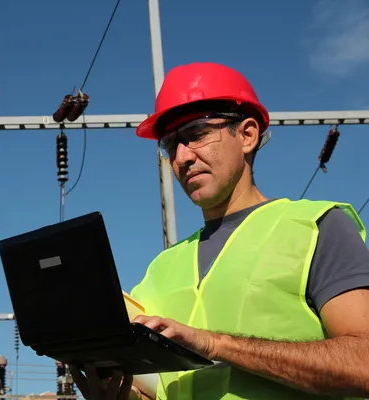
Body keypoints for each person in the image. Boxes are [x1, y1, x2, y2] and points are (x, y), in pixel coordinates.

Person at [68, 62, 369, 400]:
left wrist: (216, 344)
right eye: (170, 144)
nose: (181, 157)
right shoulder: (162, 268)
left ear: (247, 135)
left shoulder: (315, 227)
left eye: (196, 134)